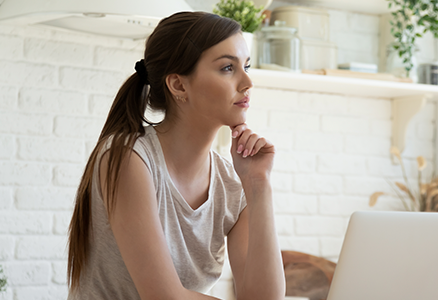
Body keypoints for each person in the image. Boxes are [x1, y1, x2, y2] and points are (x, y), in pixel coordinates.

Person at [66, 11, 285, 300]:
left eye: (246, 66)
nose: (247, 82)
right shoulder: (128, 158)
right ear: (178, 85)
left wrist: (259, 185)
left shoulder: (232, 184)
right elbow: (163, 297)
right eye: (228, 68)